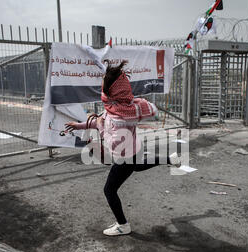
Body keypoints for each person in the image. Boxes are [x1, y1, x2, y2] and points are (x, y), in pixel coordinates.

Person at [65, 60, 181, 236]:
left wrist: (99, 129)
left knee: (109, 190)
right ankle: (170, 159)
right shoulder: (122, 107)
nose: (101, 85)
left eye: (104, 83)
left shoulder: (117, 116)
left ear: (112, 90)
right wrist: (80, 125)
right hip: (135, 150)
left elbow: (109, 140)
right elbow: (100, 121)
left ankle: (123, 225)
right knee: (139, 166)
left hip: (124, 156)